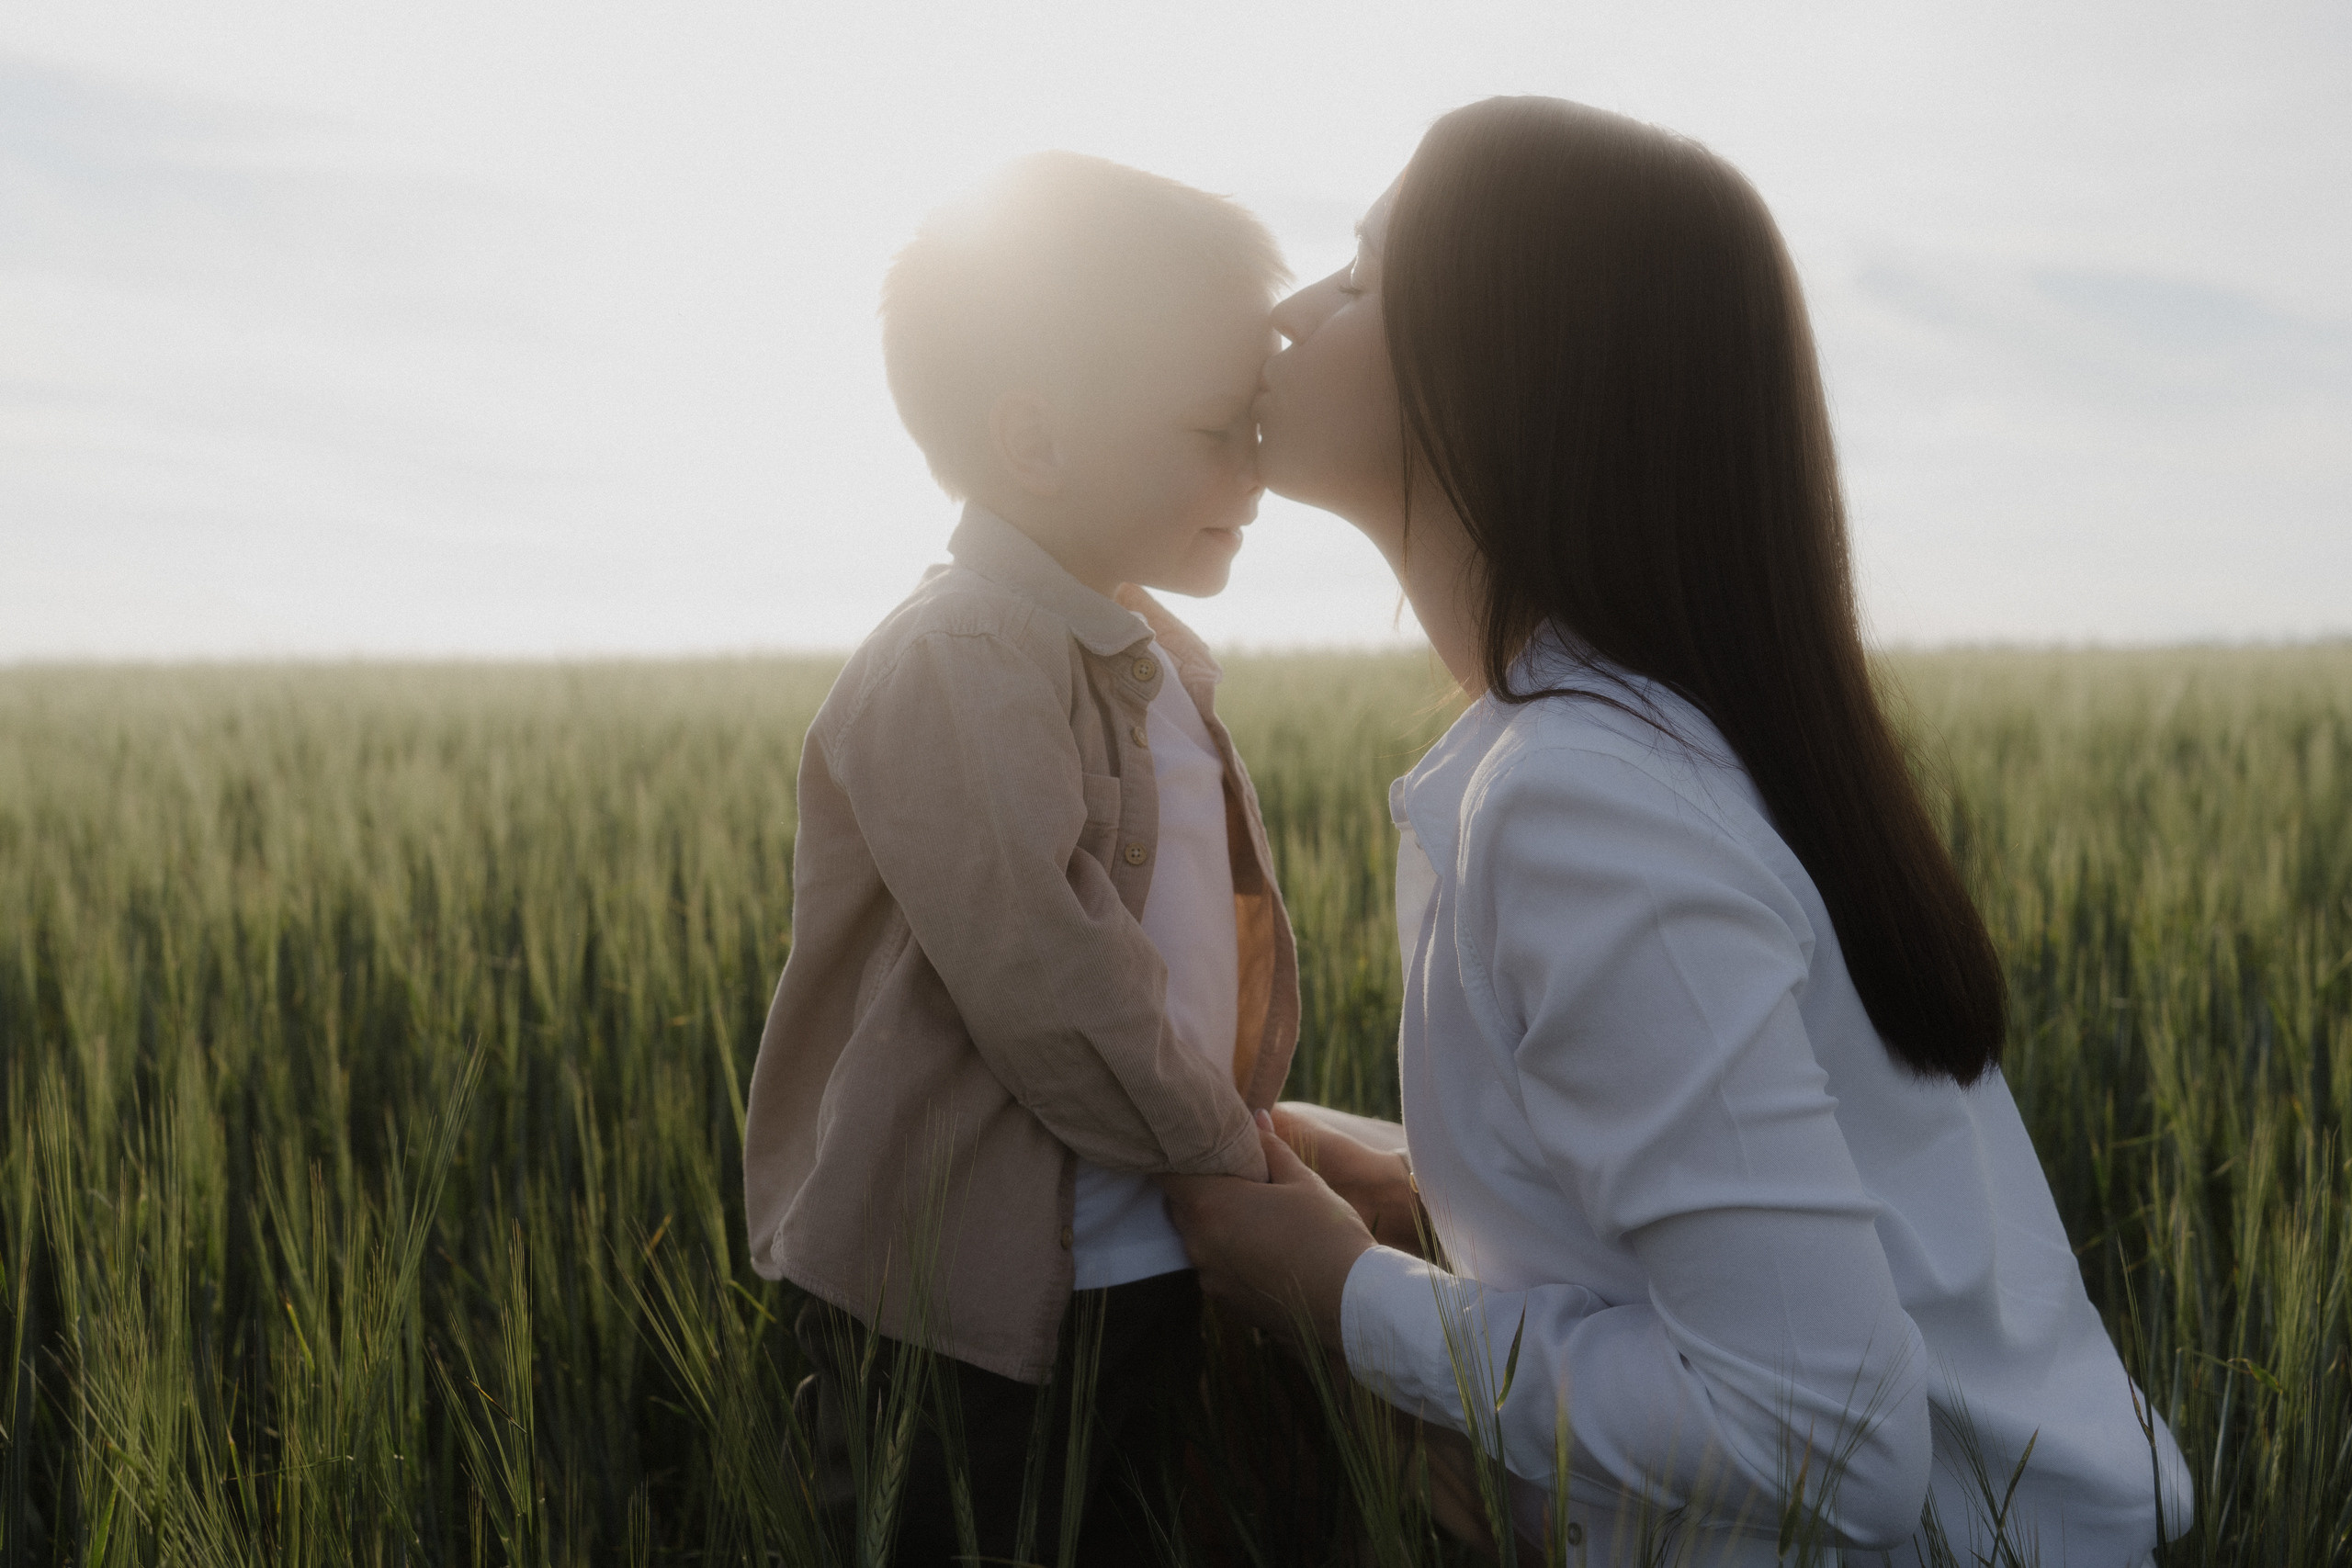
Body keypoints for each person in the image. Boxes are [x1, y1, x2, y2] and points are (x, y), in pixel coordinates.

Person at [1165, 97, 2193, 1566]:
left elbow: (1825, 1447)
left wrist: (1348, 1297)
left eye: (1358, 275)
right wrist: (1408, 1181)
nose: (1287, 310)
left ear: (1498, 371)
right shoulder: (1659, 744)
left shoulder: (1585, 802)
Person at [741, 152, 1299, 1563]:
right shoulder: (964, 656)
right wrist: (1239, 1167)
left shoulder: (1145, 651)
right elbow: (1049, 971)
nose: (1259, 467)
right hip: (967, 1313)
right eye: (1221, 427)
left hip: (1143, 1250)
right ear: (1037, 443)